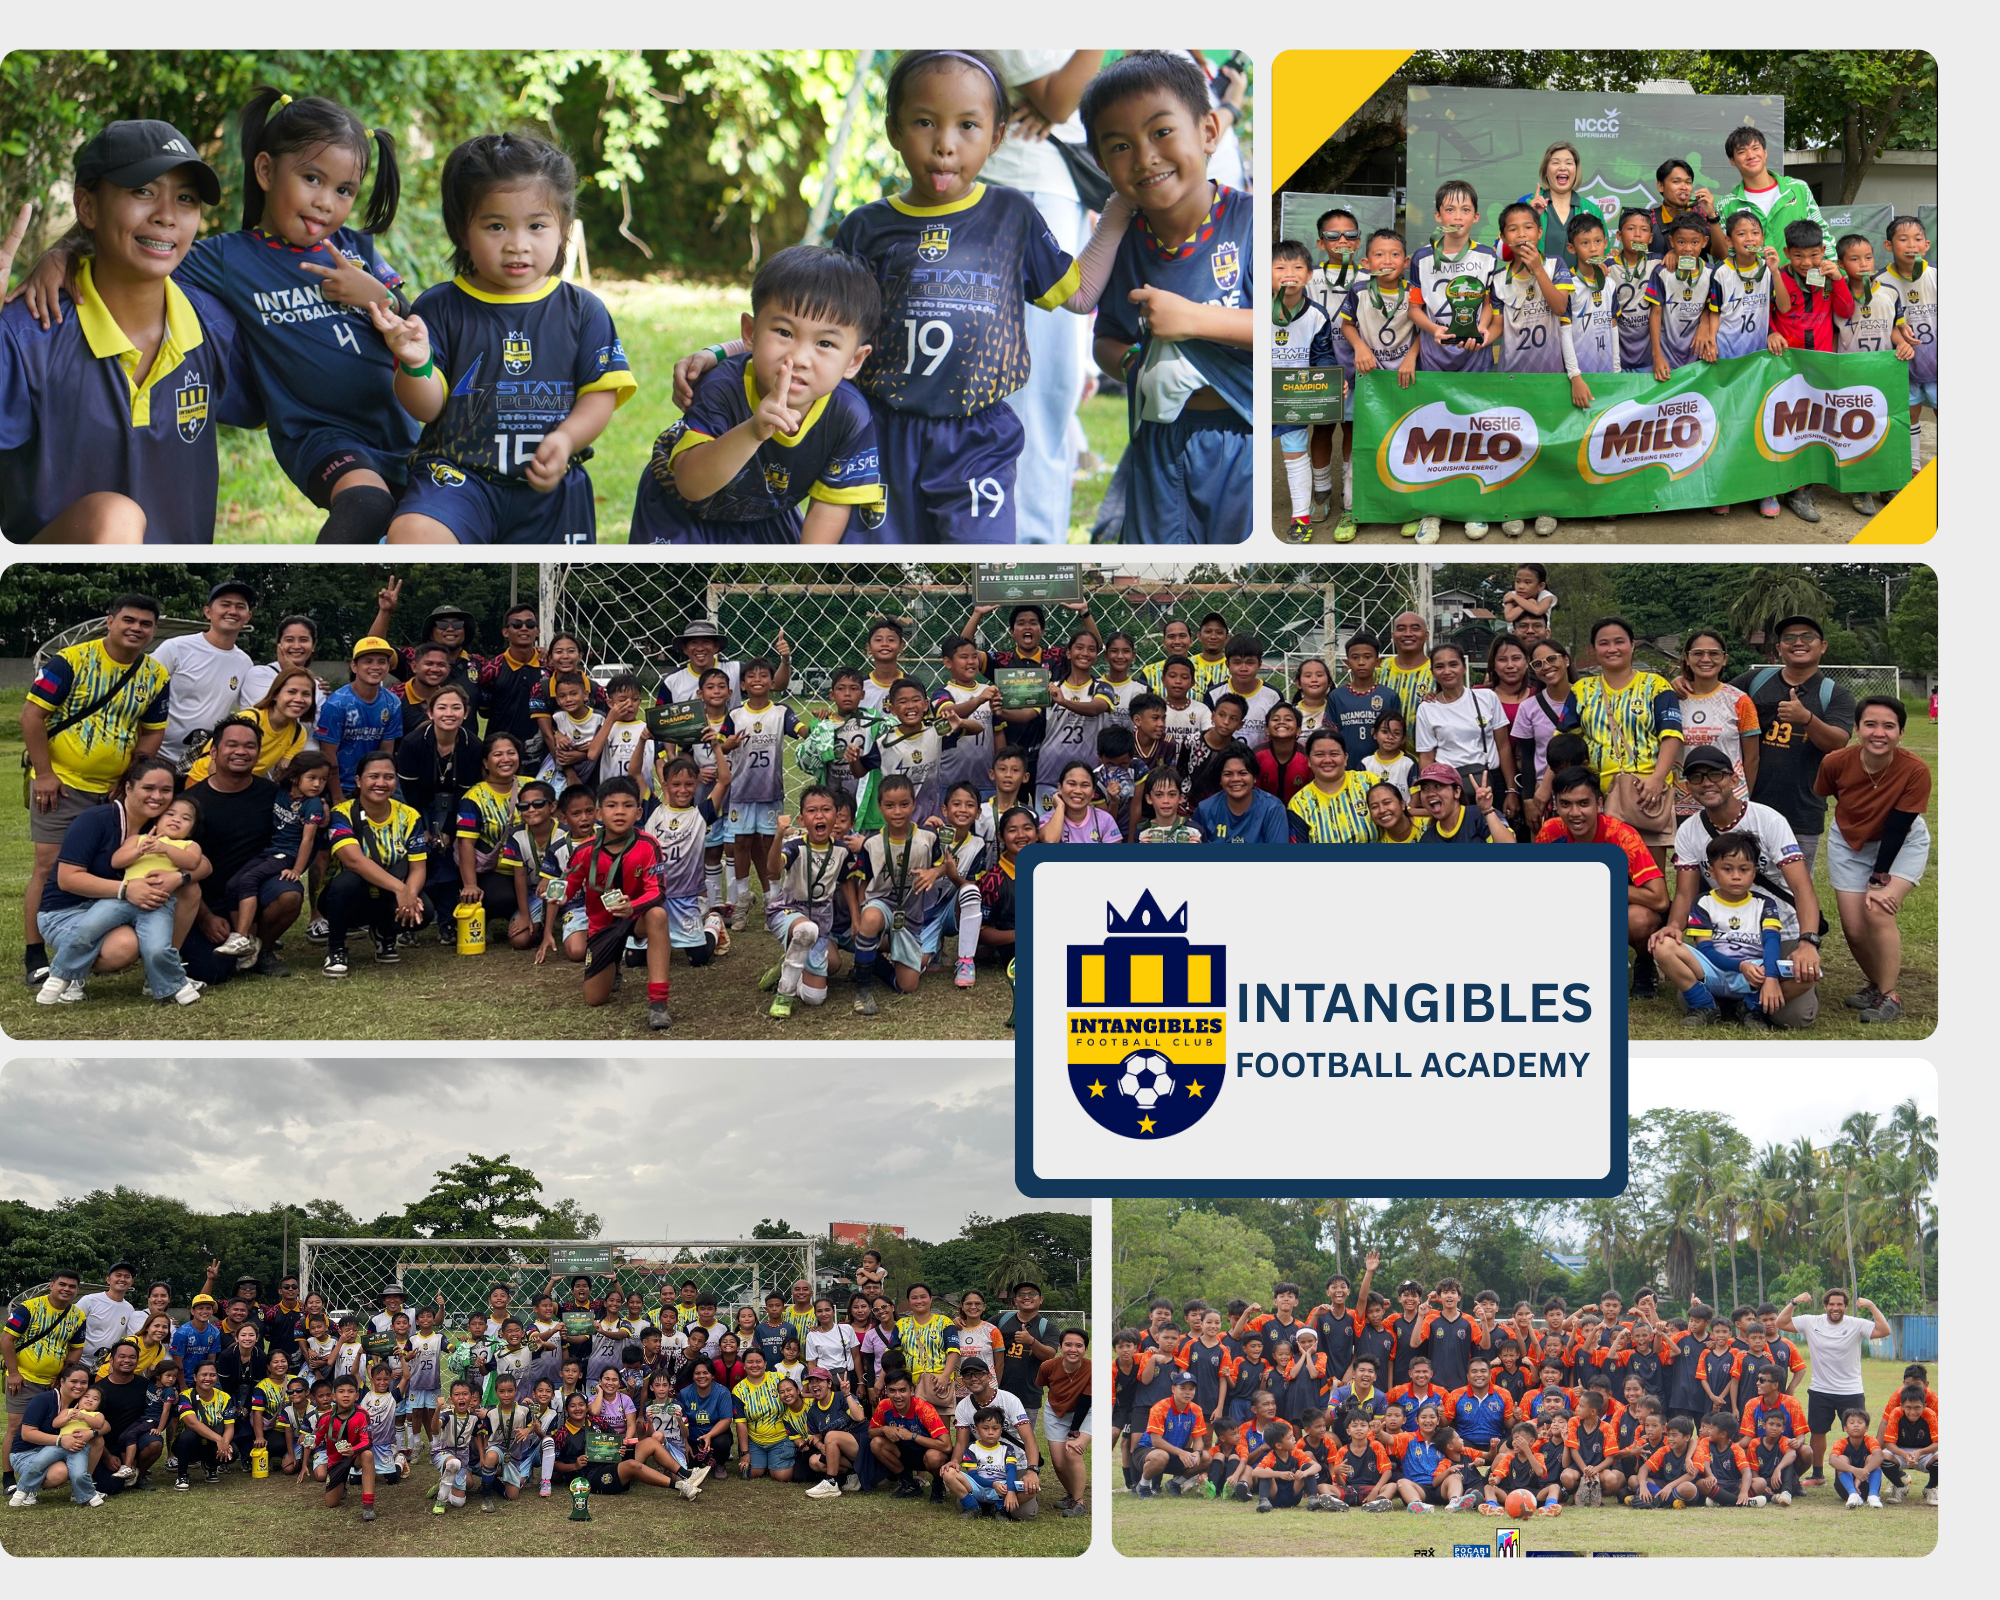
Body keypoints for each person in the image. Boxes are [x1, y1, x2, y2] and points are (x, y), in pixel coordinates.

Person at [368, 133, 635, 543]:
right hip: (457, 478)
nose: (517, 245)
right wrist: (414, 361)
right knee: (414, 534)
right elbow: (426, 406)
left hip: (550, 488)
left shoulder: (584, 311)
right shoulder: (439, 307)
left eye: (536, 226)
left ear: (563, 228)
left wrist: (565, 440)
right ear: (462, 231)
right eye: (496, 225)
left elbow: (598, 395)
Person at [0, 120, 258, 541]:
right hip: (60, 571)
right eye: (143, 191)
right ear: (87, 207)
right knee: (113, 517)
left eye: (186, 199)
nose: (166, 216)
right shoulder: (26, 335)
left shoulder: (215, 325)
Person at [1080, 52, 1254, 544]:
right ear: (1101, 165)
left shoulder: (1249, 224)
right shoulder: (1125, 243)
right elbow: (1106, 340)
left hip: (1245, 439)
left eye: (1161, 132)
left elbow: (1288, 332)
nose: (1144, 156)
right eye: (1119, 146)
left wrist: (1194, 320)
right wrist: (1139, 364)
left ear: (1209, 131)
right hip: (1159, 443)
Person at [631, 244, 884, 543]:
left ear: (854, 360)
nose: (800, 357)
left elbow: (829, 506)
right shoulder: (722, 386)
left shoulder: (849, 415)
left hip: (764, 516)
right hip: (680, 512)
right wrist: (752, 432)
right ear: (750, 333)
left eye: (825, 344)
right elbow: (691, 484)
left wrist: (805, 574)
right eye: (784, 333)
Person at [20, 592, 170, 985]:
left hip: (113, 791)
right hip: (62, 784)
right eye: (129, 620)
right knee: (49, 866)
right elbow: (32, 716)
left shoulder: (155, 675)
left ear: (153, 631)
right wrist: (45, 774)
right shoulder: (69, 661)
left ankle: (89, 938)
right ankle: (35, 953)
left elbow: (152, 732)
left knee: (107, 865)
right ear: (111, 621)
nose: (136, 628)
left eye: (145, 624)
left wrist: (129, 781)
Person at [1660, 743, 1824, 1029]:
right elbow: (1685, 892)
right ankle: (1737, 997)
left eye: (1716, 775)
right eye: (1696, 777)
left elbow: (1802, 888)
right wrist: (1674, 927)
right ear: (1687, 786)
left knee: (1795, 1016)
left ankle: (1750, 999)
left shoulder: (1768, 820)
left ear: (1734, 779)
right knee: (1681, 987)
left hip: (1779, 929)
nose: (1707, 783)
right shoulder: (1688, 830)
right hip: (1723, 934)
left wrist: (1808, 942)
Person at [33, 757, 206, 1006]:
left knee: (189, 887)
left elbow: (202, 864)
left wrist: (177, 877)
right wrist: (126, 889)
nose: (157, 796)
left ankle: (165, 973)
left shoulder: (160, 823)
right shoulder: (97, 819)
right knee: (124, 947)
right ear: (128, 788)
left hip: (125, 904)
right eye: (148, 788)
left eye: (165, 790)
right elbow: (67, 879)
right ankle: (68, 976)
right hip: (68, 909)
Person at [1814, 695, 1932, 1024]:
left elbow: (1897, 827)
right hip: (1850, 841)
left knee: (1878, 909)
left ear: (1901, 733)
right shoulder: (1835, 762)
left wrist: (1879, 878)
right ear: (1857, 729)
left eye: (1889, 726)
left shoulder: (1914, 770)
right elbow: (1837, 796)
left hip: (1901, 841)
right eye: (1870, 724)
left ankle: (1890, 996)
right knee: (1853, 928)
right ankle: (1876, 984)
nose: (1879, 733)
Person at [1727, 616, 1857, 875]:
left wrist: (1806, 718)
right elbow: (1712, 697)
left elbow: (1837, 741)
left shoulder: (1835, 694)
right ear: (1778, 649)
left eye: (1807, 636)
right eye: (1788, 638)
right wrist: (1683, 684)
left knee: (1792, 891)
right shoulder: (1754, 681)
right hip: (1747, 807)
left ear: (1823, 646)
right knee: (1737, 885)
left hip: (1801, 812)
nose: (1798, 642)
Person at [1406, 181, 1498, 544]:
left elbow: (1491, 303)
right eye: (1449, 210)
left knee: (1475, 436)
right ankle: (1433, 513)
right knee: (1435, 438)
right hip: (1434, 358)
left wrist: (1485, 331)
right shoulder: (1421, 258)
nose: (1456, 217)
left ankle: (1475, 508)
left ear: (1475, 216)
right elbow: (1414, 308)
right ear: (1437, 216)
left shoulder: (1489, 256)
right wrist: (1433, 329)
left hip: (1475, 359)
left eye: (1464, 211)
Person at [1483, 200, 1578, 538]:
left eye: (1528, 227)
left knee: (1547, 443)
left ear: (1539, 233)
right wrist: (1481, 337)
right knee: (1512, 444)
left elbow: (1560, 307)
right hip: (1511, 376)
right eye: (1513, 229)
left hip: (1550, 376)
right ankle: (1514, 505)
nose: (1521, 234)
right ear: (1503, 237)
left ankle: (1545, 505)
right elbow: (1495, 326)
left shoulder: (1556, 265)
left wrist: (1539, 270)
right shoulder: (1497, 279)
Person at [1573, 617, 1682, 885]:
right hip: (1599, 796)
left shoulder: (1656, 686)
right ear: (1594, 649)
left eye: (1619, 641)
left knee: (1649, 880)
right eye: (1604, 643)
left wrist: (1657, 780)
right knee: (1606, 876)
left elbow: (1671, 735)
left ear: (1632, 645)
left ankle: (1651, 926)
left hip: (1646, 794)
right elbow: (1567, 742)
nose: (1612, 648)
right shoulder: (1581, 690)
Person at [1651, 831, 1798, 1029]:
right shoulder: (1703, 902)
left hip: (1755, 972)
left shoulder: (1765, 904)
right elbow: (1706, 950)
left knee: (1802, 972)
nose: (1736, 876)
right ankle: (1703, 1005)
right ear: (1711, 871)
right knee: (1663, 946)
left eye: (1744, 869)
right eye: (1727, 869)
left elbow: (1771, 943)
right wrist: (1740, 967)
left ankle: (1751, 1008)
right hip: (1713, 969)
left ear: (1754, 871)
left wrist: (1770, 977)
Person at [562, 774, 675, 1030]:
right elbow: (566, 888)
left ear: (638, 813)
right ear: (599, 814)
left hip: (636, 917)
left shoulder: (648, 845)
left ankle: (658, 1003)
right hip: (602, 927)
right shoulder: (584, 850)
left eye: (627, 805)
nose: (620, 812)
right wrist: (555, 894)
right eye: (612, 805)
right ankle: (613, 963)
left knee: (658, 915)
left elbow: (658, 892)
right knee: (595, 999)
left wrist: (632, 907)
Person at [1330, 227, 1420, 542]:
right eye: (1379, 254)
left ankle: (1409, 511)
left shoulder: (1414, 291)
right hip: (1370, 383)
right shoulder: (1358, 291)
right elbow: (1347, 324)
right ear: (1367, 262)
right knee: (1363, 447)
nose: (1387, 260)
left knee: (1408, 446)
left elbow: (1422, 330)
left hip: (1405, 381)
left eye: (1394, 254)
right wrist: (1360, 347)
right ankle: (1352, 510)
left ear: (1405, 260)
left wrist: (1411, 357)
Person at [1535, 767, 1668, 971]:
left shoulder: (1622, 836)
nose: (1575, 813)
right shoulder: (1551, 831)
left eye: (1583, 803)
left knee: (1639, 920)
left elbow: (1659, 899)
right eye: (1565, 804)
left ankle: (1645, 963)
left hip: (1618, 909)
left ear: (1599, 804)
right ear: (1557, 806)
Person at [320, 749, 429, 977]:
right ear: (359, 781)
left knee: (424, 911)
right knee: (347, 882)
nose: (381, 783)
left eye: (388, 777)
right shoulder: (342, 813)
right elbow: (354, 860)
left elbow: (418, 867)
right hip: (348, 895)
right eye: (373, 776)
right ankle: (336, 949)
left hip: (387, 893)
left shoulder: (410, 816)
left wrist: (410, 894)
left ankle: (384, 933)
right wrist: (401, 889)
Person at [1773, 1288, 1893, 1486]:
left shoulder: (1856, 1324)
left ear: (1846, 1307)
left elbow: (1884, 1330)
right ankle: (1818, 1475)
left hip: (1851, 1390)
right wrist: (1794, 1301)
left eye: (1839, 1305)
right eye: (1831, 1304)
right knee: (1818, 1431)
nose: (1835, 1308)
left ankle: (1861, 1472)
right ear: (1825, 1306)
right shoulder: (1812, 1321)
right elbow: (1781, 1323)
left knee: (1857, 1432)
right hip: (1820, 1389)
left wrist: (1871, 1306)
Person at [151, 578, 257, 766]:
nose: (232, 611)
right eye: (225, 604)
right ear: (208, 612)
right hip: (159, 755)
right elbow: (141, 691)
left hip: (205, 760)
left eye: (240, 607)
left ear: (248, 616)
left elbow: (255, 706)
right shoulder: (176, 648)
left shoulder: (244, 663)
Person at [1271, 239, 1337, 542]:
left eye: (1297, 267)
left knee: (1295, 456)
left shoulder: (1317, 315)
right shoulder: (1251, 310)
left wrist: (1329, 379)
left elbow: (1322, 356)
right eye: (1280, 267)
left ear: (1309, 274)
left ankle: (1301, 518)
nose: (1289, 273)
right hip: (1253, 396)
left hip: (1293, 398)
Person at [1412, 645, 1512, 807]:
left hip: (1490, 781)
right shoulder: (1427, 708)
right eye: (1439, 666)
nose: (1447, 671)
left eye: (1453, 664)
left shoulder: (1486, 698)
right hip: (1449, 785)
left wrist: (1511, 790)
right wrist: (1431, 793)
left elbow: (1503, 746)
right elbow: (1426, 757)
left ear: (1464, 667)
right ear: (1432, 672)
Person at [187, 666, 317, 784]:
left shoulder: (298, 733)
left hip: (245, 785)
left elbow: (281, 772)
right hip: (205, 781)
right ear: (276, 694)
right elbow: (214, 766)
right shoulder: (249, 720)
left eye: (306, 694)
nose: (299, 699)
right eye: (292, 692)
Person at [315, 636, 402, 810]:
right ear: (354, 666)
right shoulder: (337, 704)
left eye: (382, 662)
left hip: (374, 784)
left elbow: (386, 751)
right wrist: (337, 796)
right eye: (368, 661)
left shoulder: (392, 702)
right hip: (341, 786)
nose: (375, 667)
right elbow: (328, 755)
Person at [1880, 216, 1935, 486]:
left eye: (1916, 239)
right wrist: (1898, 336)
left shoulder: (1937, 275)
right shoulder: (1880, 282)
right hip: (1906, 366)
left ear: (1926, 244)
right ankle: (1913, 467)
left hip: (1938, 366)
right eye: (1903, 239)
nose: (1910, 245)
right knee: (1910, 415)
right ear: (1889, 245)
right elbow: (1882, 322)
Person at [1196, 750, 1289, 844]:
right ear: (1220, 780)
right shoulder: (1205, 809)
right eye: (1228, 774)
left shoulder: (1272, 808)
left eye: (1243, 773)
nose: (1235, 779)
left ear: (1255, 777)